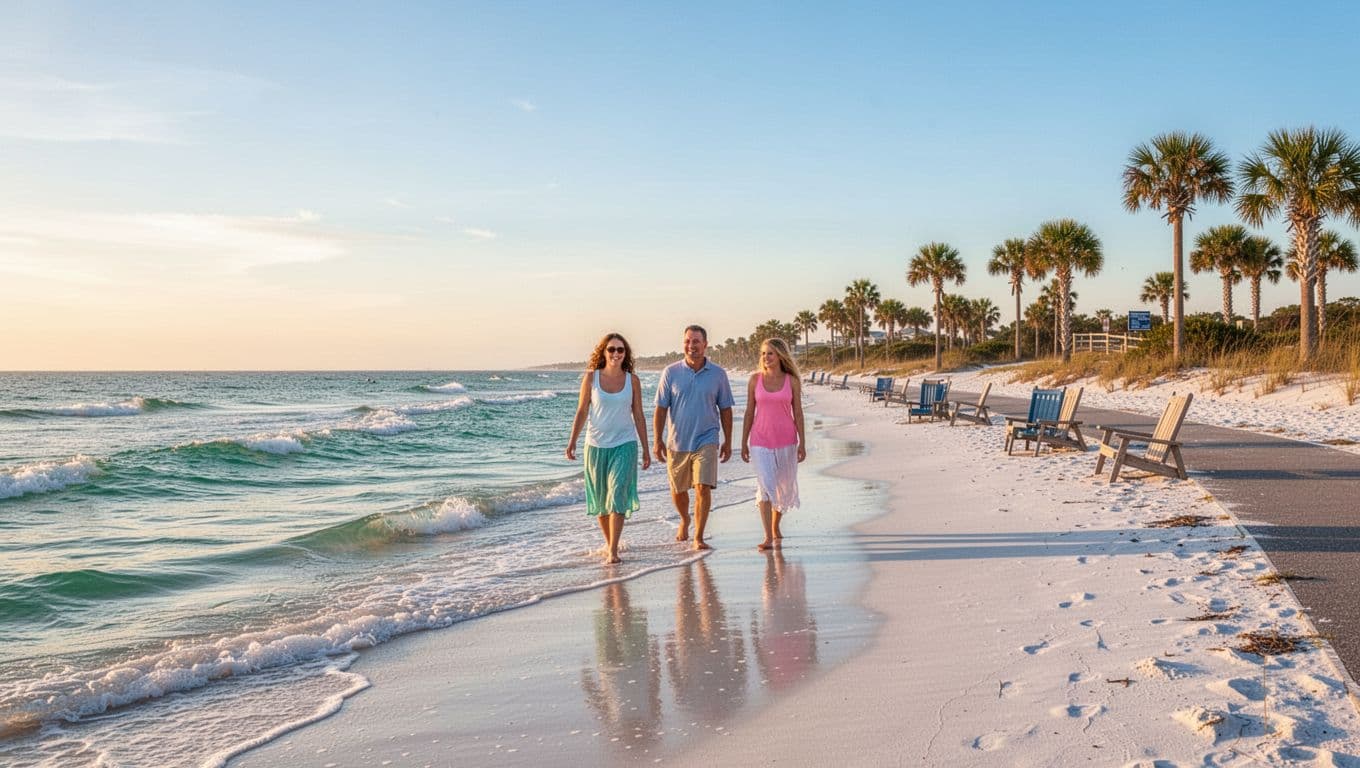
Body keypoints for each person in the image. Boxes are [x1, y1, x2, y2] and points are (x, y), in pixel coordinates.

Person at [566, 333, 651, 564]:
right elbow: (582, 410)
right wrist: (572, 440)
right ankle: (610, 541)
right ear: (603, 352)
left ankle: (613, 550)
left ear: (626, 354)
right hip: (595, 446)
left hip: (625, 443)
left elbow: (639, 416)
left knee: (617, 496)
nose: (616, 354)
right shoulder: (591, 378)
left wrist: (646, 448)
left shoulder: (632, 381)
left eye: (620, 350)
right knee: (602, 503)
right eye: (611, 349)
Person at [653, 325, 735, 550]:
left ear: (705, 344)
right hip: (677, 441)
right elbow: (660, 408)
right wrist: (657, 440)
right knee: (678, 490)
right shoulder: (671, 372)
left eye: (696, 341)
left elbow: (726, 409)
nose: (691, 346)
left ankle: (699, 537)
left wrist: (728, 440)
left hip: (707, 438)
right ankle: (685, 519)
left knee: (702, 486)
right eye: (688, 341)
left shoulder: (718, 374)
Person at [740, 337, 805, 550]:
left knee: (782, 489)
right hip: (760, 440)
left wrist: (802, 442)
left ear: (780, 356)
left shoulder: (791, 381)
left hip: (786, 439)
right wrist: (743, 442)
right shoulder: (755, 380)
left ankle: (776, 525)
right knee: (765, 488)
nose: (765, 357)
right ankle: (768, 536)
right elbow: (750, 411)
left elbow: (798, 412)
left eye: (770, 353)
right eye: (763, 353)